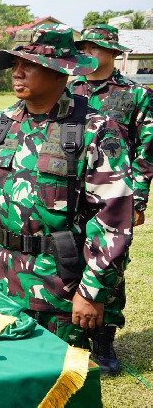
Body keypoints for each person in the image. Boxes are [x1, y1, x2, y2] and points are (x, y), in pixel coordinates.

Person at [0, 27, 133, 350]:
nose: (17, 72)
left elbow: (112, 221)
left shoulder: (95, 130)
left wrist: (92, 291)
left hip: (61, 287)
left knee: (58, 384)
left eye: (29, 65)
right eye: (15, 65)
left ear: (60, 72)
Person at [68, 24, 152, 373]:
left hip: (114, 195)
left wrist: (137, 201)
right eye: (83, 47)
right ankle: (73, 339)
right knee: (71, 259)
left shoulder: (136, 94)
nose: (86, 53)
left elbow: (147, 150)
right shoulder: (69, 88)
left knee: (110, 267)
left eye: (94, 47)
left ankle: (104, 344)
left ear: (114, 52)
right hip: (71, 195)